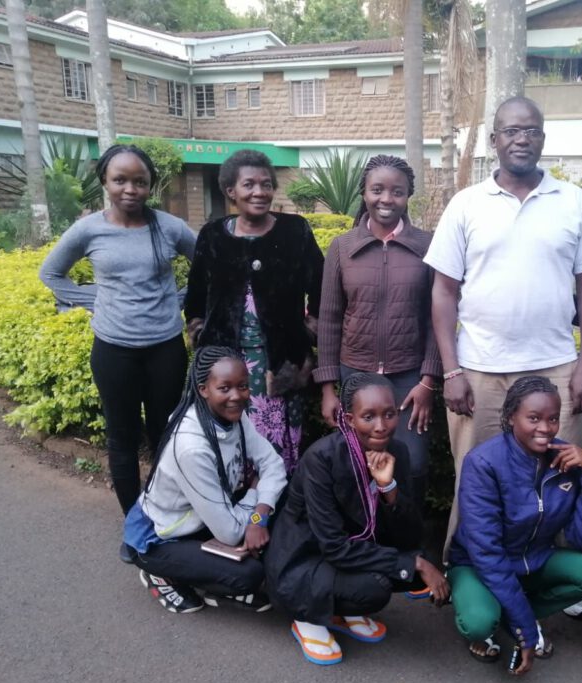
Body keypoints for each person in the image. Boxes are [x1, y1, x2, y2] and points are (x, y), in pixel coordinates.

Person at [426, 96, 582, 562]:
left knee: (562, 473)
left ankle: (565, 575)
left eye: (530, 130)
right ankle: (468, 566)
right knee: (475, 475)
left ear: (543, 139)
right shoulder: (466, 205)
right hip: (480, 371)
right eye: (510, 131)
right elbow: (443, 292)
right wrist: (451, 371)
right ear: (495, 141)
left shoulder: (573, 201)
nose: (521, 138)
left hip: (556, 369)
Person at [40, 144, 196, 514]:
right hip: (114, 350)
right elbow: (50, 273)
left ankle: (164, 507)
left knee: (165, 434)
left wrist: (180, 298)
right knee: (121, 437)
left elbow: (208, 265)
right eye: (120, 180)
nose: (130, 189)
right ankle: (134, 517)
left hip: (165, 349)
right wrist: (95, 300)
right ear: (105, 182)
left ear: (150, 185)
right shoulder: (87, 230)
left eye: (140, 181)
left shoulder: (170, 227)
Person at [266, 373, 450, 666]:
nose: (381, 426)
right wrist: (412, 562)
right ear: (350, 419)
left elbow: (410, 534)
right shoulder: (321, 459)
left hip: (352, 546)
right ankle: (307, 616)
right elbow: (333, 546)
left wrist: (389, 490)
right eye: (369, 416)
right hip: (304, 559)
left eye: (389, 414)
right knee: (378, 585)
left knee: (413, 564)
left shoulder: (397, 451)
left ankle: (342, 609)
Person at [447, 376, 582, 676]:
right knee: (479, 622)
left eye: (552, 419)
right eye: (533, 418)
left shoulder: (564, 459)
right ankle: (510, 613)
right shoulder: (483, 463)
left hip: (532, 559)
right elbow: (486, 553)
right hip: (477, 564)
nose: (545, 428)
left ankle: (514, 611)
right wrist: (527, 630)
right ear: (511, 417)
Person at [314, 154, 440, 518]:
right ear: (364, 193)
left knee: (412, 465)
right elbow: (329, 320)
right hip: (355, 375)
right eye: (378, 190)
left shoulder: (428, 246)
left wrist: (428, 381)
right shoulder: (342, 247)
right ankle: (363, 542)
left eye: (397, 192)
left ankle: (408, 546)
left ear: (408, 196)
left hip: (408, 379)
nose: (387, 199)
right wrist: (328, 388)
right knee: (355, 466)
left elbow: (438, 318)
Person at [185, 149, 324, 474]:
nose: (259, 192)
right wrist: (200, 332)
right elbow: (195, 297)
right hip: (225, 360)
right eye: (249, 184)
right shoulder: (213, 235)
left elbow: (321, 286)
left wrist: (310, 329)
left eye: (266, 184)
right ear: (230, 191)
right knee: (227, 440)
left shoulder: (295, 231)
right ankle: (234, 513)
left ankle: (272, 512)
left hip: (279, 361)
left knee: (277, 447)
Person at [121, 346, 287, 614]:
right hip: (164, 537)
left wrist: (260, 517)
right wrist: (256, 495)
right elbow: (230, 532)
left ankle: (215, 572)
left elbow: (274, 464)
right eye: (225, 388)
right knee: (248, 575)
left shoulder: (234, 415)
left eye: (243, 386)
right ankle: (161, 574)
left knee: (283, 498)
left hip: (211, 514)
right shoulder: (191, 447)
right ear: (203, 389)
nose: (237, 396)